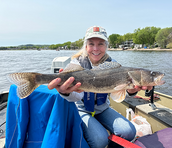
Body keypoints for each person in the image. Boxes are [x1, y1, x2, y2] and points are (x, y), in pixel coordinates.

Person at [48, 26, 153, 148]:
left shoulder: (113, 65)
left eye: (101, 44)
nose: (96, 48)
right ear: (86, 46)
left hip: (103, 109)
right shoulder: (76, 63)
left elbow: (116, 96)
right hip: (82, 110)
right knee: (100, 141)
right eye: (91, 44)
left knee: (129, 132)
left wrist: (130, 91)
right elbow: (76, 97)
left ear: (106, 46)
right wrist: (65, 92)